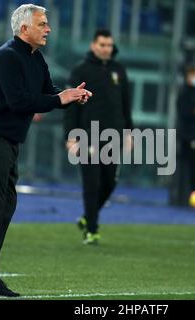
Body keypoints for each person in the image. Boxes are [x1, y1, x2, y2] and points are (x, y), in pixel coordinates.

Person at [0, 4, 92, 297]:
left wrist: (71, 96)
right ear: (24, 29)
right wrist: (59, 99)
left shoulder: (36, 59)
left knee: (5, 206)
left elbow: (48, 93)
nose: (48, 29)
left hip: (10, 141)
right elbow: (20, 103)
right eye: (42, 24)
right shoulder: (7, 57)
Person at [64, 29, 133, 245]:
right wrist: (71, 137)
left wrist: (129, 133)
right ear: (94, 45)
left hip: (114, 137)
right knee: (91, 183)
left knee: (110, 183)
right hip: (86, 136)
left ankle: (87, 218)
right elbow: (71, 107)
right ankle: (92, 230)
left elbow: (126, 105)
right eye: (102, 45)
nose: (106, 49)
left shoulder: (119, 70)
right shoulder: (81, 70)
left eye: (109, 45)